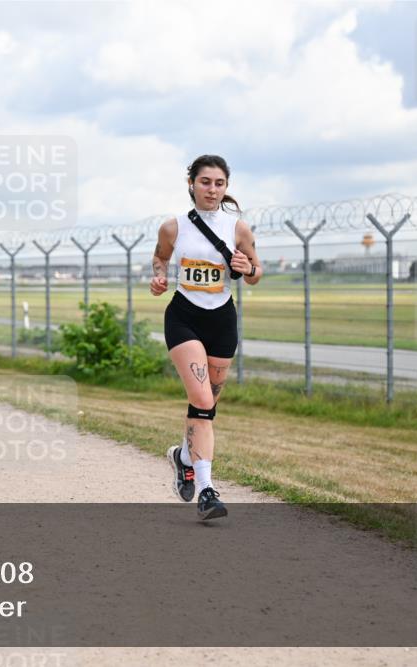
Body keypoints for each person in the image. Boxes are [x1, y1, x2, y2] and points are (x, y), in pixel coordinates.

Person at [149, 154, 263, 520]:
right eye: (205, 182)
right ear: (191, 184)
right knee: (200, 398)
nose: (212, 189)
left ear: (226, 187)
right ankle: (207, 491)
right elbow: (160, 258)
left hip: (222, 320)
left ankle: (183, 457)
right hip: (184, 317)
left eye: (219, 183)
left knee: (207, 406)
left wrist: (248, 268)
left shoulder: (238, 229)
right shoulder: (173, 227)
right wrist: (159, 277)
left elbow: (256, 272)